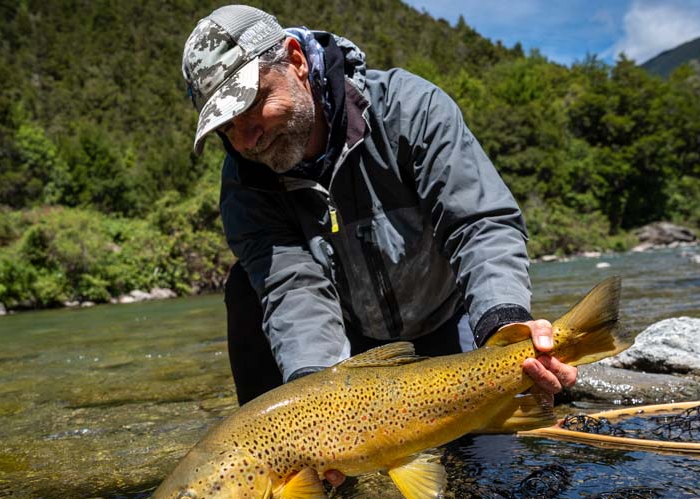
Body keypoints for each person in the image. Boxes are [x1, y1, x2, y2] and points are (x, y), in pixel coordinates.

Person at [180, 5, 578, 446]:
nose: (247, 139)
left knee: (499, 469)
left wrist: (505, 325)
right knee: (245, 290)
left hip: (449, 319)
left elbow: (479, 225)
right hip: (350, 350)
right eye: (228, 128)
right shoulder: (245, 183)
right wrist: (317, 409)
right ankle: (284, 460)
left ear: (295, 60)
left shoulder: (410, 109)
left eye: (253, 106)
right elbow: (293, 290)